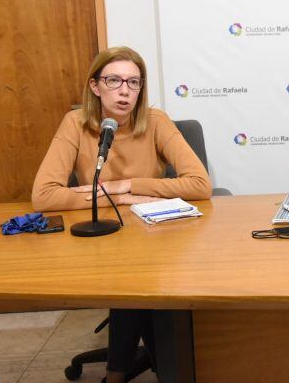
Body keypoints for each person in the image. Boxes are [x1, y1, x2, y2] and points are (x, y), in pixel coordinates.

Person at [31, 46, 212, 383]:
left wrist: (127, 185)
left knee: (140, 279)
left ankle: (121, 372)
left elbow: (200, 184)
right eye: (113, 80)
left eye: (134, 82)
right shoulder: (76, 123)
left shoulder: (155, 121)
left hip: (156, 236)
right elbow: (43, 195)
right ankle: (162, 369)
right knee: (134, 282)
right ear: (95, 86)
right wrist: (117, 195)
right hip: (104, 240)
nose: (125, 91)